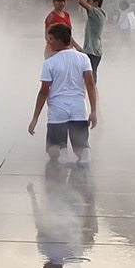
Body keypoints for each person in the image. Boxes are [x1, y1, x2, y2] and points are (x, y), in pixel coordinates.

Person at [28, 22, 99, 166]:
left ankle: (61, 150)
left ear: (59, 40)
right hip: (79, 108)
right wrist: (93, 111)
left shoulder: (50, 62)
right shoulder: (83, 58)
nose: (49, 42)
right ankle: (84, 152)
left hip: (57, 110)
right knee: (80, 146)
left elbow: (43, 92)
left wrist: (35, 118)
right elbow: (91, 85)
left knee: (52, 149)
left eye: (51, 39)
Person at [65, 0, 105, 75]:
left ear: (96, 3)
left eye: (89, 1)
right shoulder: (96, 13)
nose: (87, 3)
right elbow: (81, 0)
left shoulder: (97, 13)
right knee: (87, 75)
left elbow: (81, 1)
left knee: (89, 76)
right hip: (93, 51)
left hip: (93, 52)